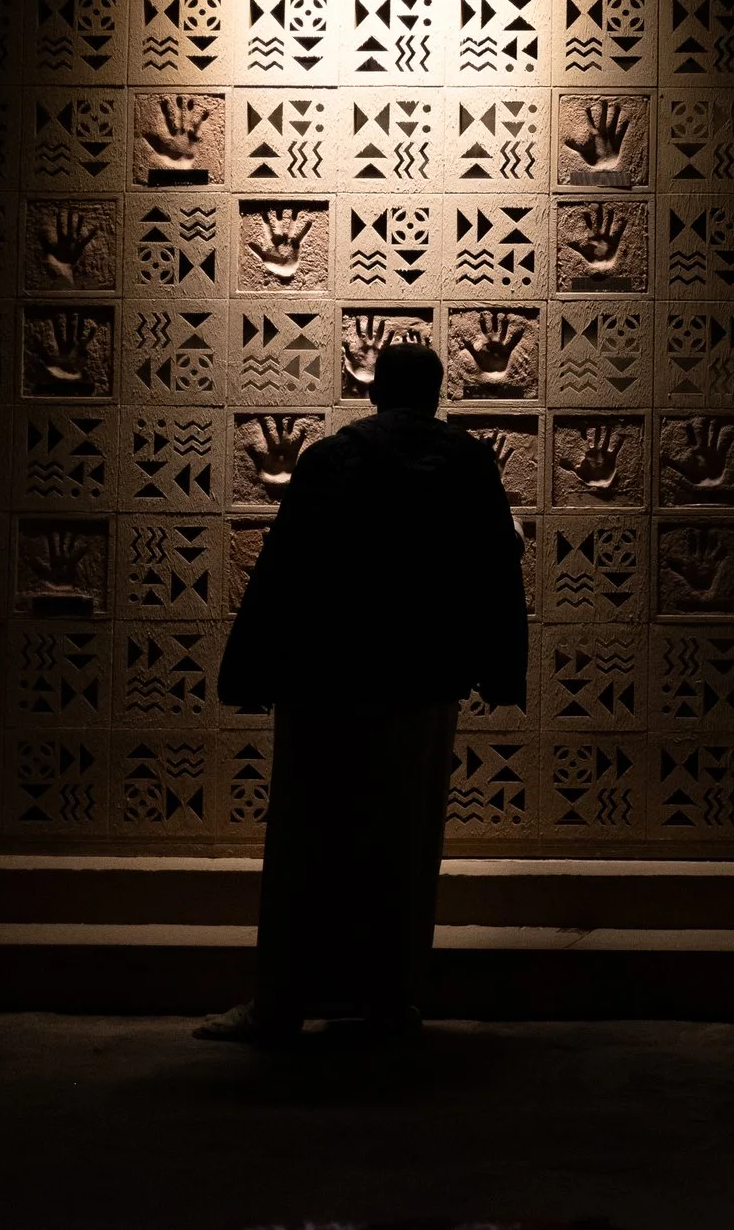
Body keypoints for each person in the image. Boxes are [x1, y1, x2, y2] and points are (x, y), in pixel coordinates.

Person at [196, 340, 527, 1045]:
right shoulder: (469, 463)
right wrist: (500, 671)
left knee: (305, 843)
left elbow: (285, 569)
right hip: (423, 684)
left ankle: (280, 1004)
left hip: (327, 682)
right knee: (404, 845)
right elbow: (496, 568)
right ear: (437, 395)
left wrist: (251, 672)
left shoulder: (333, 458)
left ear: (374, 392)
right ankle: (389, 1001)